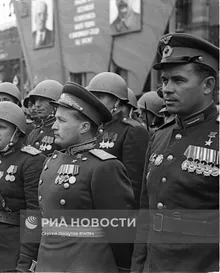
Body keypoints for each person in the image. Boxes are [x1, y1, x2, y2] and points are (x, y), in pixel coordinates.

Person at [132, 33, 219, 272]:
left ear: (208, 85)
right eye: (164, 80)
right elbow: (145, 214)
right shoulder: (160, 136)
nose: (166, 90)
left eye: (178, 81)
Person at [36, 81, 136, 272]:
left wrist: (123, 268)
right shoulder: (52, 160)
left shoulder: (104, 167)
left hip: (86, 263)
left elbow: (120, 230)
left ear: (83, 127)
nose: (54, 126)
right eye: (55, 119)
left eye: (62, 121)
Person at [0, 102, 45, 272]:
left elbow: (34, 214)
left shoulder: (31, 161)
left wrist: (26, 261)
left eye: (1, 127)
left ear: (16, 133)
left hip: (15, 251)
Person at [88, 72, 149, 208]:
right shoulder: (95, 128)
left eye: (101, 96)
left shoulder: (132, 130)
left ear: (117, 101)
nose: (95, 101)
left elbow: (134, 183)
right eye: (93, 97)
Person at [26, 80, 63, 156]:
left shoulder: (62, 132)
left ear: (55, 103)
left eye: (42, 100)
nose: (37, 105)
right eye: (36, 100)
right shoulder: (33, 133)